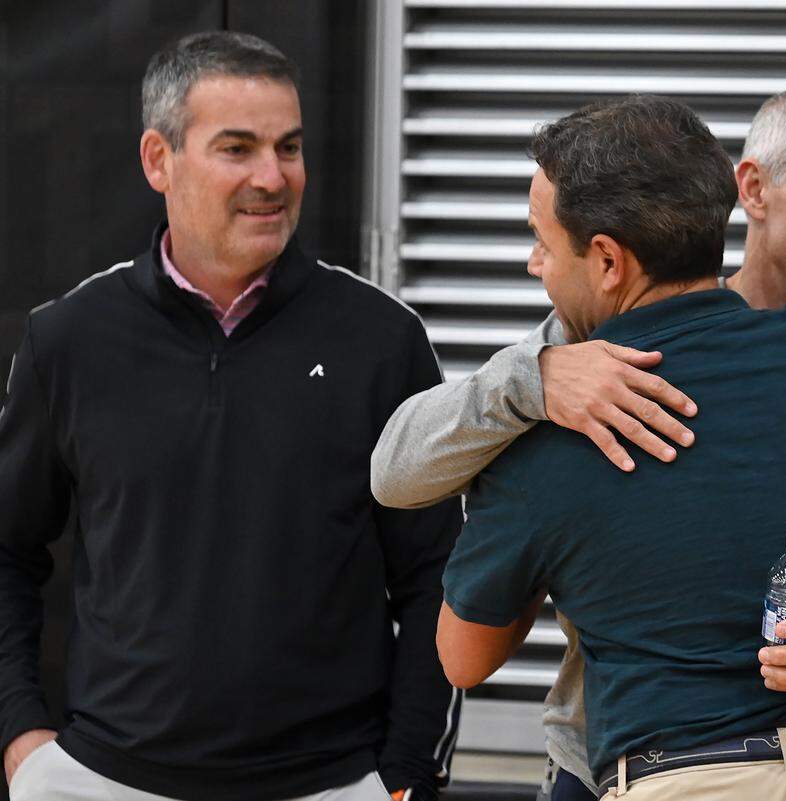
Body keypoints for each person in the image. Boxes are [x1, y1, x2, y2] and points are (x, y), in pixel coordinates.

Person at [371, 82, 786, 799]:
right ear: (750, 189)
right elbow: (396, 467)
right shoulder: (574, 364)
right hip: (607, 766)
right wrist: (531, 383)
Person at [0, 31, 461, 801]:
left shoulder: (383, 340)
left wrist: (407, 774)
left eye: (289, 147)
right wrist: (21, 736)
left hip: (334, 784)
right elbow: (8, 549)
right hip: (105, 781)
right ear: (159, 160)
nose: (272, 178)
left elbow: (438, 574)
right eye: (237, 148)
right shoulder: (69, 340)